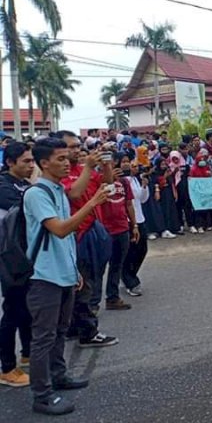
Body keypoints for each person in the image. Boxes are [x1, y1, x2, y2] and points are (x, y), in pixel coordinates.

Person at [25, 137, 109, 415]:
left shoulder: (58, 189)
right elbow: (60, 229)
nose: (66, 162)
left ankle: (58, 376)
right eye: (60, 159)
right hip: (43, 276)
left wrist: (73, 270)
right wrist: (92, 203)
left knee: (60, 332)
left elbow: (73, 202)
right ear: (44, 162)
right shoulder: (36, 194)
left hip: (63, 273)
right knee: (43, 337)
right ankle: (42, 394)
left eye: (67, 157)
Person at [57, 131, 118, 348]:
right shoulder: (61, 173)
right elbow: (73, 194)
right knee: (83, 283)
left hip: (92, 228)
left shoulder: (81, 169)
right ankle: (88, 332)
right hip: (75, 233)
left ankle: (75, 326)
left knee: (90, 277)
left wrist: (107, 165)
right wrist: (89, 167)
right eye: (71, 147)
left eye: (77, 146)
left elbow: (107, 187)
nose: (76, 150)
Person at [0, 143, 34, 387]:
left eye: (33, 161)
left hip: (26, 254)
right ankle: (7, 367)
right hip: (9, 256)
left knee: (26, 307)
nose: (31, 165)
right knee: (12, 310)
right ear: (10, 162)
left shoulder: (26, 184)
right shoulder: (4, 186)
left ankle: (28, 354)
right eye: (25, 162)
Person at [94, 153, 139, 311]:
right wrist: (108, 179)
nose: (112, 165)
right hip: (104, 230)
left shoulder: (125, 182)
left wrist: (134, 225)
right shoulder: (96, 180)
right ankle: (93, 303)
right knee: (99, 267)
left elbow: (129, 204)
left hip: (122, 228)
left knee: (117, 265)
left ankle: (112, 298)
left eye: (114, 162)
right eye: (108, 162)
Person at [122, 160, 149, 296]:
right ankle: (130, 281)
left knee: (142, 249)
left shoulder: (136, 180)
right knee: (130, 251)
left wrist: (144, 187)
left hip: (139, 217)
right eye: (127, 163)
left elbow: (142, 199)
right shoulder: (122, 181)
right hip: (127, 220)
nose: (133, 167)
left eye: (134, 165)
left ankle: (129, 274)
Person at [190, 153, 212, 233]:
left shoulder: (206, 168)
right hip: (197, 193)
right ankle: (199, 225)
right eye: (200, 160)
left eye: (203, 160)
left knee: (206, 209)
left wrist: (210, 174)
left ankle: (206, 224)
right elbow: (191, 180)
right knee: (198, 210)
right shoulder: (193, 169)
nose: (202, 161)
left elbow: (210, 178)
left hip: (206, 192)